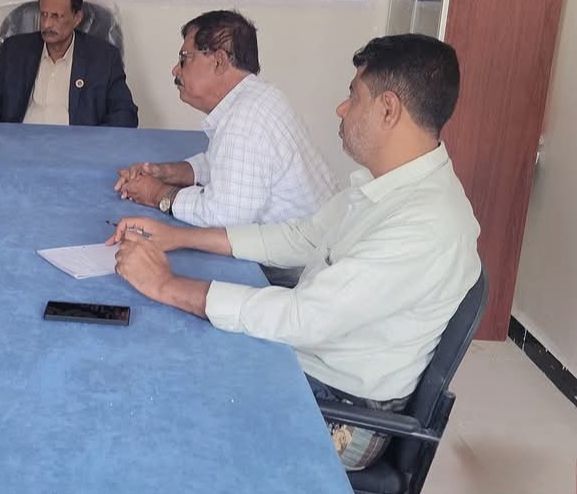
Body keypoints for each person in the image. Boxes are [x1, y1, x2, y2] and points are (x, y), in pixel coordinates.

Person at [106, 34, 481, 471]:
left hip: (342, 413)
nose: (341, 108)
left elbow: (302, 318)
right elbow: (301, 237)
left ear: (388, 109)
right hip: (316, 367)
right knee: (170, 349)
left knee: (162, 394)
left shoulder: (422, 225)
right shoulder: (391, 187)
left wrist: (166, 284)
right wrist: (179, 238)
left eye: (353, 96)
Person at [114, 10, 338, 228]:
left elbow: (223, 217)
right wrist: (165, 173)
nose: (175, 70)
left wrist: (156, 194)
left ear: (219, 61)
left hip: (305, 252)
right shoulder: (262, 97)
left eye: (184, 58)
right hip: (318, 236)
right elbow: (224, 166)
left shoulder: (244, 121)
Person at [0, 0, 139, 127]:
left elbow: (125, 113)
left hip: (76, 149)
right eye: (44, 15)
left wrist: (94, 145)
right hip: (21, 145)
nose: (47, 24)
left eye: (57, 16)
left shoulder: (103, 58)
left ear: (77, 18)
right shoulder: (15, 51)